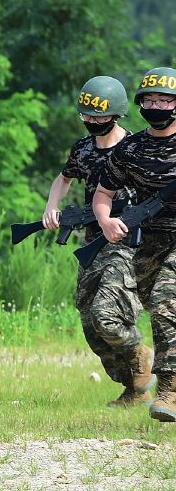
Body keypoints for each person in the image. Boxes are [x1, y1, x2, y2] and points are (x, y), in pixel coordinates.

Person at [43, 76, 150, 407]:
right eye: (86, 115)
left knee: (107, 315)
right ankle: (133, 387)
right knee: (91, 323)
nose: (91, 121)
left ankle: (141, 354)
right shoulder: (83, 148)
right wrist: (52, 207)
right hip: (94, 240)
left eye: (98, 116)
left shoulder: (135, 148)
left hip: (129, 241)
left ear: (116, 114)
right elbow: (64, 179)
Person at [95, 67, 176, 422]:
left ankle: (169, 390)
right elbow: (103, 193)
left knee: (164, 305)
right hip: (147, 244)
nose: (156, 105)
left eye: (164, 100)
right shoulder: (130, 148)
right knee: (155, 309)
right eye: (150, 100)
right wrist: (106, 220)